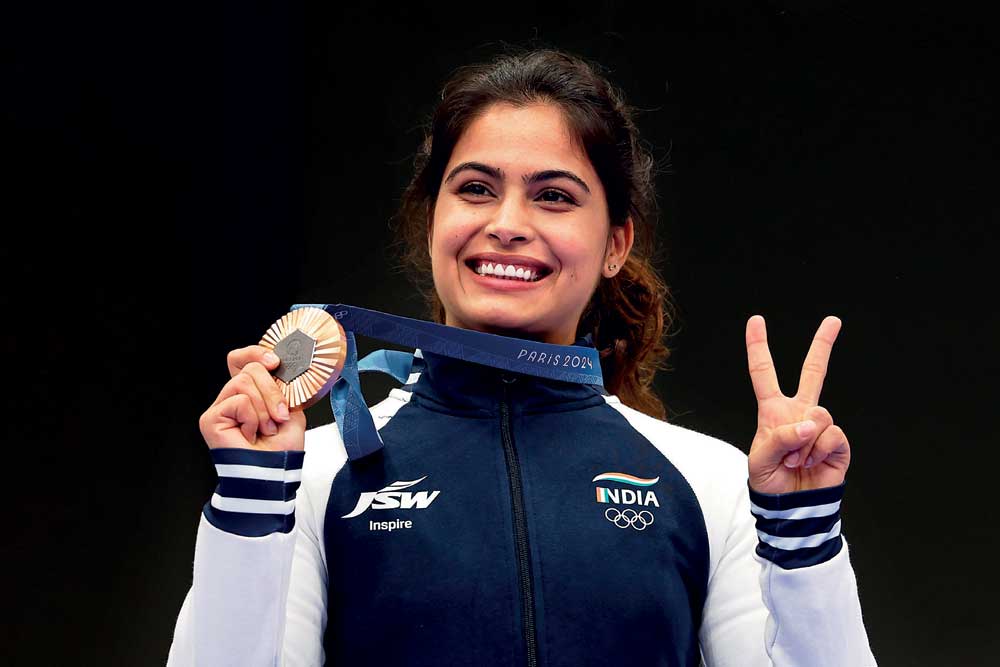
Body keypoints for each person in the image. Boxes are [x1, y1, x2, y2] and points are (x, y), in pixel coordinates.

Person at [167, 47, 876, 666]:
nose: (507, 225)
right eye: (475, 188)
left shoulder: (711, 480)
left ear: (616, 245)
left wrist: (802, 538)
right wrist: (252, 501)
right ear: (432, 220)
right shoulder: (316, 476)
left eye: (554, 196)